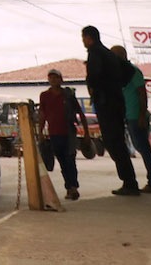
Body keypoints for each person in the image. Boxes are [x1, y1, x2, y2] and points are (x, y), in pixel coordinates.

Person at [82, 25, 141, 195]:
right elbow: (128, 70)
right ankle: (129, 181)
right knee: (117, 141)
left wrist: (96, 86)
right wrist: (116, 84)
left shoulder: (95, 53)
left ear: (88, 38)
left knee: (113, 142)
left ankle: (129, 182)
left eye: (84, 38)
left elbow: (94, 77)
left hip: (106, 103)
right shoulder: (109, 53)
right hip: (116, 101)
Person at [112, 43, 151, 192]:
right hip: (130, 115)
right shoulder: (121, 74)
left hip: (136, 115)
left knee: (144, 149)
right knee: (140, 147)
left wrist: (141, 115)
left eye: (114, 56)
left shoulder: (133, 72)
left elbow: (142, 93)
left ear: (122, 56)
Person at [37, 68, 87, 200]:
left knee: (70, 160)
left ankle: (74, 187)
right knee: (63, 162)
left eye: (56, 77)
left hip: (69, 132)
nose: (53, 80)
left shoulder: (68, 95)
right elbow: (42, 114)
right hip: (54, 134)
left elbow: (80, 113)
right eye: (51, 78)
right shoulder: (44, 96)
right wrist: (40, 132)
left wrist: (86, 133)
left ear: (61, 79)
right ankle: (69, 187)